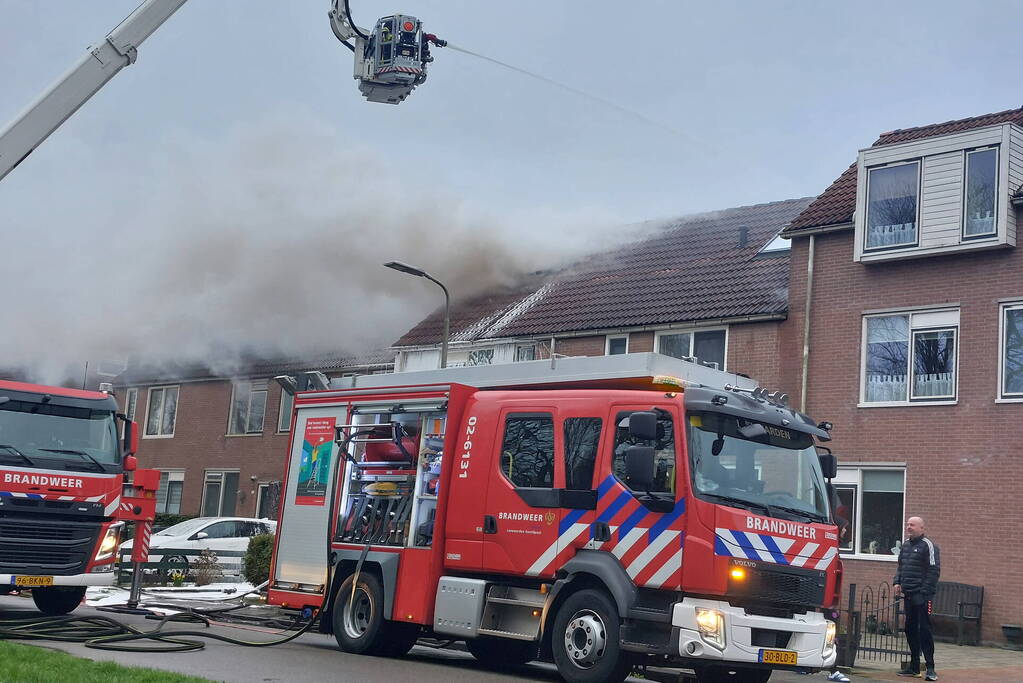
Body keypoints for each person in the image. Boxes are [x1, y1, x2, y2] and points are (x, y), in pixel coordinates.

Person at [894, 516, 940, 680]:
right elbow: (901, 566)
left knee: (924, 629)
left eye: (912, 525)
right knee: (910, 628)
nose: (909, 527)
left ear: (922, 528)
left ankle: (930, 668)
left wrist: (924, 591)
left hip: (923, 596)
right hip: (909, 594)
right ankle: (914, 667)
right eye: (907, 524)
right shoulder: (905, 546)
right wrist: (897, 582)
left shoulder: (929, 546)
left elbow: (934, 571)